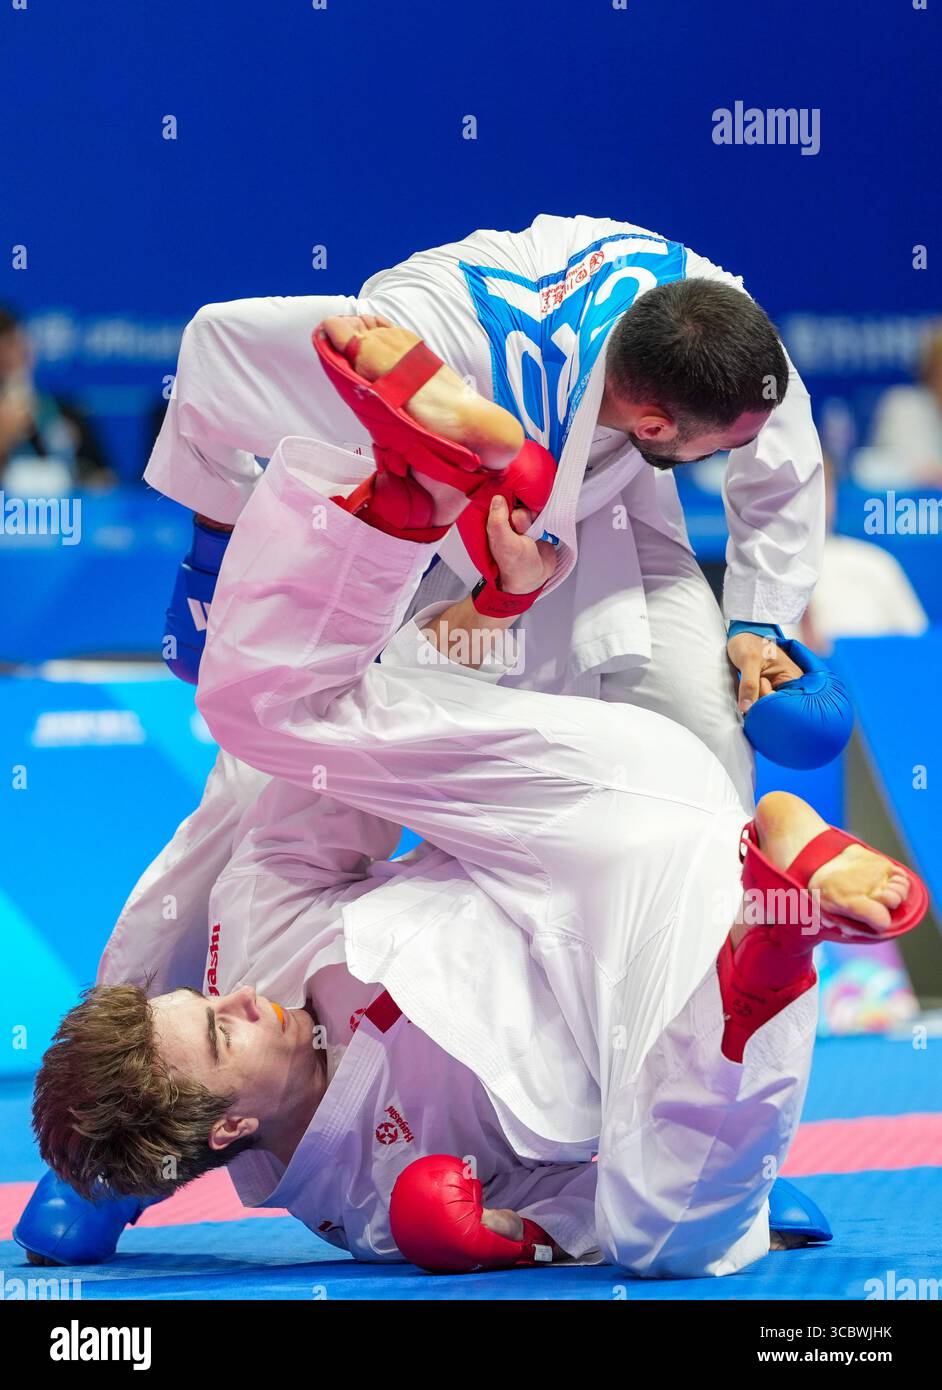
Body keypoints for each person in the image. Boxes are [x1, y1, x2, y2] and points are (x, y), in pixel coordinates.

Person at [25, 322, 922, 1277]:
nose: (236, 996)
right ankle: (776, 932)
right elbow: (587, 1203)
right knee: (671, 1232)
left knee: (269, 728)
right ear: (232, 1125)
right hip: (663, 924)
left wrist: (497, 608)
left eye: (205, 1003)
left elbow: (354, 737)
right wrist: (507, 1239)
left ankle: (399, 498)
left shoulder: (251, 949)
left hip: (561, 795)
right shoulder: (364, 1208)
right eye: (218, 1029)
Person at [0, 305, 114, 494]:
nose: (9, 356)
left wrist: (89, 481)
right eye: (3, 349)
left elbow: (105, 476)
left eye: (15, 344)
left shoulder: (65, 410)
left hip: (73, 518)